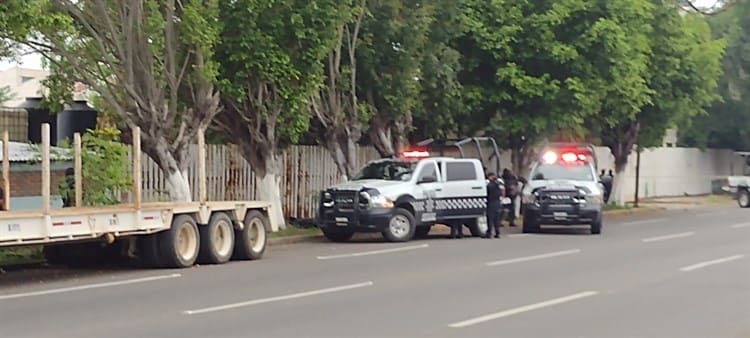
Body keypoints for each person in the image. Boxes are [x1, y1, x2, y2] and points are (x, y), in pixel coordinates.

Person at [485, 172, 502, 238]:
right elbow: (500, 193)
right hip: (497, 202)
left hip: (491, 202)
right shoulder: (498, 184)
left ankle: (489, 233)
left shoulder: (489, 185)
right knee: (496, 219)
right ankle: (497, 232)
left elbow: (488, 194)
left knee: (490, 219)